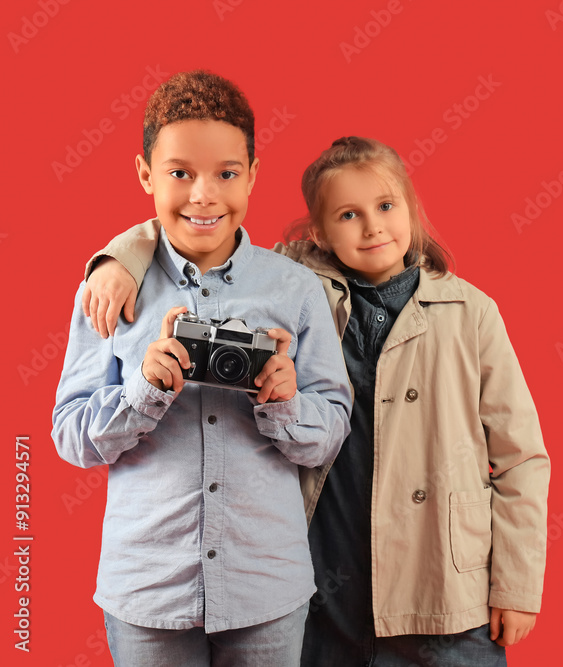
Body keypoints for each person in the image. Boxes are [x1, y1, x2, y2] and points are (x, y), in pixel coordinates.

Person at [82, 136, 550, 666]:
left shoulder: (472, 312)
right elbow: (205, 235)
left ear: (411, 210)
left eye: (386, 206)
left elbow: (521, 458)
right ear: (319, 234)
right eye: (348, 214)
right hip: (329, 584)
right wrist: (122, 256)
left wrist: (515, 585)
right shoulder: (298, 289)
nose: (372, 226)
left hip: (443, 586)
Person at [52, 70, 353, 667]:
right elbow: (70, 436)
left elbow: (331, 433)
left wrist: (285, 400)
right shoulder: (110, 289)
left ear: (253, 174)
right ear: (145, 174)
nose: (203, 195)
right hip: (148, 588)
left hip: (265, 583)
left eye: (226, 173)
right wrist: (144, 389)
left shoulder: (294, 289)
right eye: (179, 172)